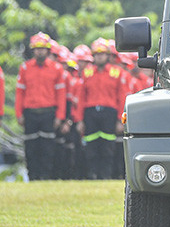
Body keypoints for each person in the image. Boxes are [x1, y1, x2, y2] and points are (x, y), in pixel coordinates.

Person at [14, 33, 67, 180]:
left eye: (42, 48)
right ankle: (33, 176)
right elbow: (20, 93)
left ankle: (46, 176)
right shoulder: (25, 68)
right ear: (33, 50)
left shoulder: (56, 69)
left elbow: (61, 95)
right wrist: (19, 114)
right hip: (30, 113)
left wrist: (60, 116)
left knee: (47, 147)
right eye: (37, 49)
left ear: (48, 50)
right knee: (31, 147)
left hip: (48, 113)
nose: (40, 51)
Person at [75, 38, 129, 180]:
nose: (100, 56)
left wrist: (119, 120)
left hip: (109, 113)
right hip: (90, 112)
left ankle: (106, 175)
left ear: (108, 55)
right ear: (93, 56)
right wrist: (80, 120)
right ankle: (92, 175)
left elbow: (121, 98)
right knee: (91, 146)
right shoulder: (87, 73)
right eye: (97, 54)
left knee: (108, 146)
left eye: (103, 54)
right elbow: (81, 97)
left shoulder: (116, 73)